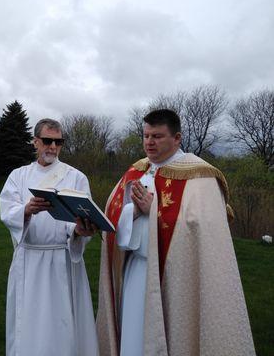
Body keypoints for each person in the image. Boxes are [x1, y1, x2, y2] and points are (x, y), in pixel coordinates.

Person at [96, 109, 255, 356]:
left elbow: (201, 231)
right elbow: (113, 216)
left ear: (177, 138)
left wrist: (153, 211)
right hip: (135, 271)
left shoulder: (199, 177)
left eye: (157, 136)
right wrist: (134, 214)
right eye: (146, 135)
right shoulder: (136, 171)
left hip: (176, 278)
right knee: (133, 337)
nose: (149, 142)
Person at [0, 118, 99, 356]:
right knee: (29, 322)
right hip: (29, 260)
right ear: (35, 142)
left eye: (58, 142)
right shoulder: (18, 176)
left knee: (62, 321)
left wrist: (79, 231)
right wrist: (26, 210)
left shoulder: (75, 177)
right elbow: (6, 210)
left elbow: (82, 214)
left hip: (62, 260)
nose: (52, 147)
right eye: (47, 141)